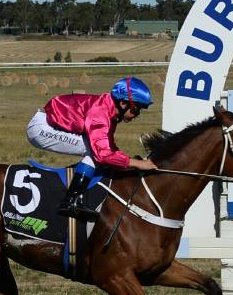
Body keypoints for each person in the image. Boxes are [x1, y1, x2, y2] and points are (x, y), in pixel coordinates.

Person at [25, 75, 158, 221]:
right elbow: (103, 154)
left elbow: (109, 145)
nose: (136, 115)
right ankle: (70, 201)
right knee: (94, 152)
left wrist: (128, 161)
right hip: (41, 129)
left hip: (49, 124)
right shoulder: (100, 113)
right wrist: (137, 163)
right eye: (135, 109)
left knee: (97, 151)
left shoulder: (109, 109)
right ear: (123, 103)